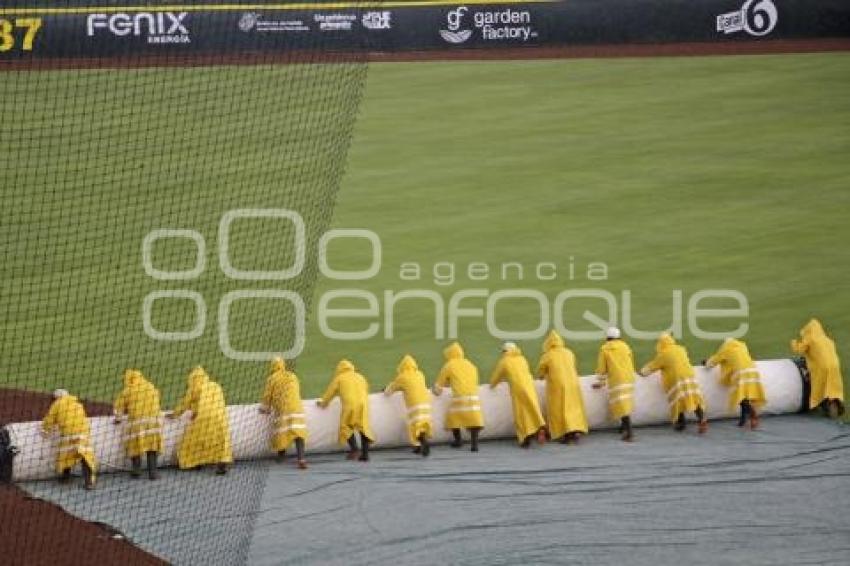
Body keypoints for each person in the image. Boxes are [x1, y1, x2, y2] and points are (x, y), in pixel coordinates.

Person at [167, 367, 233, 475]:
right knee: (221, 441)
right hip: (221, 418)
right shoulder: (215, 386)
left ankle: (193, 463)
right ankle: (222, 463)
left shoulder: (194, 387)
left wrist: (174, 414)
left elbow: (185, 404)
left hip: (203, 418)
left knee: (191, 440)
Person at [640, 333, 708, 433]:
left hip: (676, 380)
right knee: (694, 399)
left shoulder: (663, 354)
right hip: (690, 377)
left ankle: (681, 423)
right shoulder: (681, 349)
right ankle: (702, 419)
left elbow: (651, 367)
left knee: (678, 401)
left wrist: (641, 372)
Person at [490, 342, 547, 448]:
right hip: (529, 386)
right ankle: (540, 426)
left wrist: (492, 385)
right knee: (533, 408)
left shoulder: (504, 361)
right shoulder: (522, 359)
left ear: (505, 351)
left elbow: (497, 376)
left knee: (521, 413)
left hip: (517, 388)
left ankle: (525, 437)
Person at [536, 330, 588, 444]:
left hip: (558, 386)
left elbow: (541, 372)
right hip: (573, 383)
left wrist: (540, 377)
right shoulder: (569, 352)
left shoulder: (547, 355)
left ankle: (566, 435)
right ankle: (575, 432)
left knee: (559, 409)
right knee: (573, 408)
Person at [317, 359, 374, 462]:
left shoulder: (339, 378)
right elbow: (366, 388)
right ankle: (365, 455)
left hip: (350, 405)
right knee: (363, 428)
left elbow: (330, 393)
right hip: (363, 405)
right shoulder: (360, 376)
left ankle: (355, 449)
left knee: (345, 426)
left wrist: (323, 403)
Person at [41, 389, 97, 490]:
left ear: (56, 398)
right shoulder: (78, 404)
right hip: (83, 433)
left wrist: (45, 431)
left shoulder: (57, 405)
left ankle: (65, 478)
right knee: (85, 457)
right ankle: (89, 482)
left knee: (65, 456)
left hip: (68, 433)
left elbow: (49, 419)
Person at [705, 338, 766, 429]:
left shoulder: (725, 349)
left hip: (740, 374)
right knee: (745, 397)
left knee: (740, 397)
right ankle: (743, 420)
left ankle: (752, 413)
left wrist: (706, 363)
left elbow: (714, 361)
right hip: (753, 372)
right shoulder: (742, 346)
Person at [433, 342, 484, 452]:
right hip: (474, 397)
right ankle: (474, 445)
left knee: (453, 419)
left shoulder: (449, 365)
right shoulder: (471, 364)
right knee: (474, 422)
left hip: (460, 397)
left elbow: (439, 383)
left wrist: (436, 391)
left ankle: (458, 441)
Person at [113, 369, 163, 480]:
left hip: (137, 424)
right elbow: (158, 399)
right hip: (154, 423)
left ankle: (136, 471)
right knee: (152, 447)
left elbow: (118, 408)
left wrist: (118, 419)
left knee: (134, 446)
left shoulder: (128, 390)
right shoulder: (151, 386)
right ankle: (153, 473)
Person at [259, 357, 308, 469]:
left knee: (281, 433)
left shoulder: (272, 378)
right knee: (299, 433)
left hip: (283, 409)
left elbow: (267, 396)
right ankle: (301, 458)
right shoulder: (292, 376)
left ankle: (281, 457)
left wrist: (264, 408)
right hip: (297, 408)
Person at [791, 318, 845, 418]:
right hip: (834, 366)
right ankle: (836, 401)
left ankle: (825, 404)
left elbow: (800, 349)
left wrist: (794, 343)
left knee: (819, 387)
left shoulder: (810, 339)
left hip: (821, 367)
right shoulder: (828, 340)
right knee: (833, 387)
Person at [593, 327, 636, 441]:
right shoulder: (625, 346)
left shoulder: (605, 349)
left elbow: (602, 368)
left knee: (621, 404)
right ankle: (623, 427)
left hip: (617, 379)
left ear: (607, 337)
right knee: (625, 402)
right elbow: (631, 360)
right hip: (628, 377)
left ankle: (629, 432)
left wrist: (601, 382)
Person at [384, 354, 433, 457]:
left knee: (414, 426)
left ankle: (422, 444)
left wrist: (385, 390)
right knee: (422, 425)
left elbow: (390, 390)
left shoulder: (402, 377)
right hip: (426, 404)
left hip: (414, 405)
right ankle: (420, 445)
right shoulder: (420, 374)